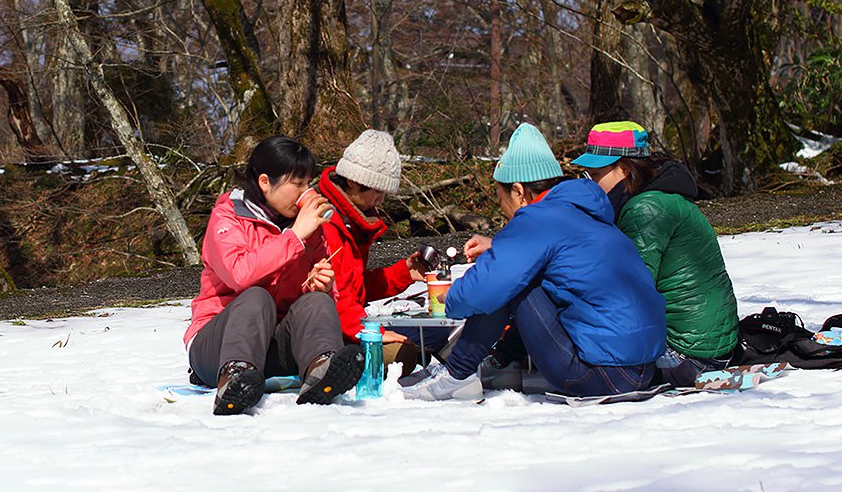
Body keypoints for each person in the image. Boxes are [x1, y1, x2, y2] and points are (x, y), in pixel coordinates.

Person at [401, 123, 666, 401]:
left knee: (510, 282)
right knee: (518, 275)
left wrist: (448, 297)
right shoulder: (584, 213)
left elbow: (489, 285)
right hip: (642, 369)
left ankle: (456, 374)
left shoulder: (536, 218)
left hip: (597, 374)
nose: (504, 211)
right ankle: (472, 368)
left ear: (518, 191)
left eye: (501, 199)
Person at [186, 135, 364, 415]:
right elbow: (239, 275)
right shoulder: (228, 217)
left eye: (308, 184)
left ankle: (322, 368)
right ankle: (234, 378)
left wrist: (324, 287)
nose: (306, 192)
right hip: (217, 347)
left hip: (272, 346)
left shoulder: (307, 227)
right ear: (265, 182)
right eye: (297, 184)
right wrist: (294, 237)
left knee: (316, 303)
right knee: (256, 297)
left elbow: (316, 298)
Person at [571, 121, 739, 386]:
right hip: (705, 344)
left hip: (687, 354)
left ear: (624, 169)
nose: (590, 183)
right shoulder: (653, 199)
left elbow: (628, 291)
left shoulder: (646, 210)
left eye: (595, 173)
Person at [315, 130, 429, 376]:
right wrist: (375, 335)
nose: (381, 200)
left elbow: (356, 288)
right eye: (377, 191)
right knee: (402, 355)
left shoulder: (352, 219)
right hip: (323, 332)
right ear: (354, 180)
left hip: (345, 323)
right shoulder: (326, 223)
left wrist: (404, 273)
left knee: (414, 348)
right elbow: (335, 299)